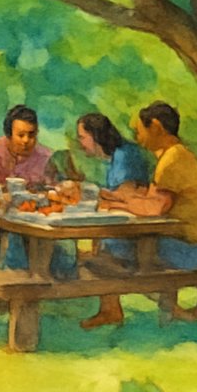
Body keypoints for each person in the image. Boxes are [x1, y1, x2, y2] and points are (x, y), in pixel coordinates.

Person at [90, 101, 197, 327]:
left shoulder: (172, 160)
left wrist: (118, 206)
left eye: (140, 131)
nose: (138, 138)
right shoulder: (174, 156)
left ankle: (160, 308)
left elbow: (153, 209)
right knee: (116, 247)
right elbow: (151, 199)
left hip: (192, 250)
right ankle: (159, 308)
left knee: (112, 248)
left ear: (156, 128)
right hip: (188, 243)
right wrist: (118, 199)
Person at [75, 111, 152, 276]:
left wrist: (85, 191)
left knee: (76, 267)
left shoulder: (126, 155)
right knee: (77, 260)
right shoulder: (117, 156)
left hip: (130, 247)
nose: (80, 143)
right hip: (118, 241)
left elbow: (126, 198)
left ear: (95, 135)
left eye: (82, 137)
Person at [0, 104, 57, 186]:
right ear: (9, 135)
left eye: (31, 135)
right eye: (21, 135)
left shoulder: (46, 157)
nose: (26, 140)